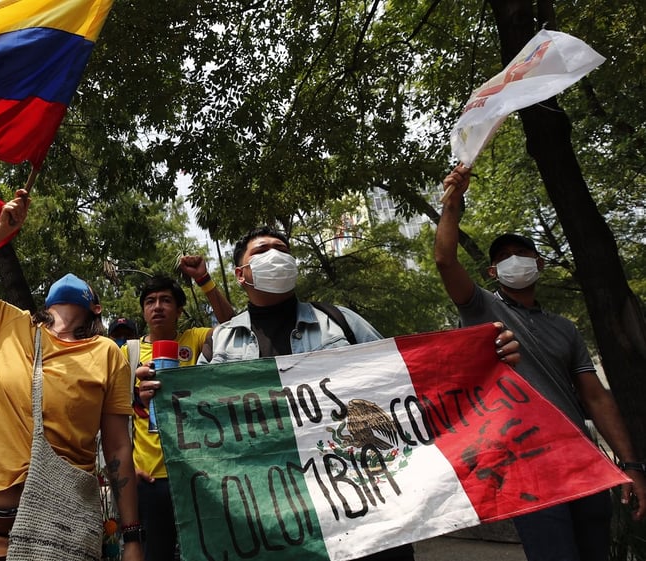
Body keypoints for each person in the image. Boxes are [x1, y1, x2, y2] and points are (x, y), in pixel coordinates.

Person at [176, 225, 519, 561]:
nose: (276, 256)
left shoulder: (341, 322)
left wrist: (484, 355)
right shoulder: (221, 341)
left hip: (368, 507)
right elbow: (201, 423)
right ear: (241, 274)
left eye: (282, 250)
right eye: (263, 251)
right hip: (278, 516)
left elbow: (404, 380)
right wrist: (159, 396)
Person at [434, 164, 646, 561]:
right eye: (503, 257)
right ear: (492, 272)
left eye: (523, 254)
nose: (515, 260)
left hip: (583, 462)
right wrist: (452, 205)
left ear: (539, 264)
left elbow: (596, 399)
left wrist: (631, 465)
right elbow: (445, 260)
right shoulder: (481, 307)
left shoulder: (565, 329)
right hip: (526, 465)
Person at [0, 189, 142, 561]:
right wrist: (1, 232)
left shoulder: (108, 353)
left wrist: (132, 537)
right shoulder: (8, 322)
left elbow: (118, 448)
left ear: (96, 306)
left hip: (58, 538)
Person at [130, 262, 234, 561]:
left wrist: (203, 279)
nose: (157, 307)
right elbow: (112, 415)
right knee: (157, 553)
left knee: (208, 551)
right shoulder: (128, 353)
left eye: (166, 300)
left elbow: (233, 327)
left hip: (199, 473)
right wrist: (127, 469)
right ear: (143, 311)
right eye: (150, 301)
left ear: (179, 309)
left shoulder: (197, 339)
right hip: (151, 479)